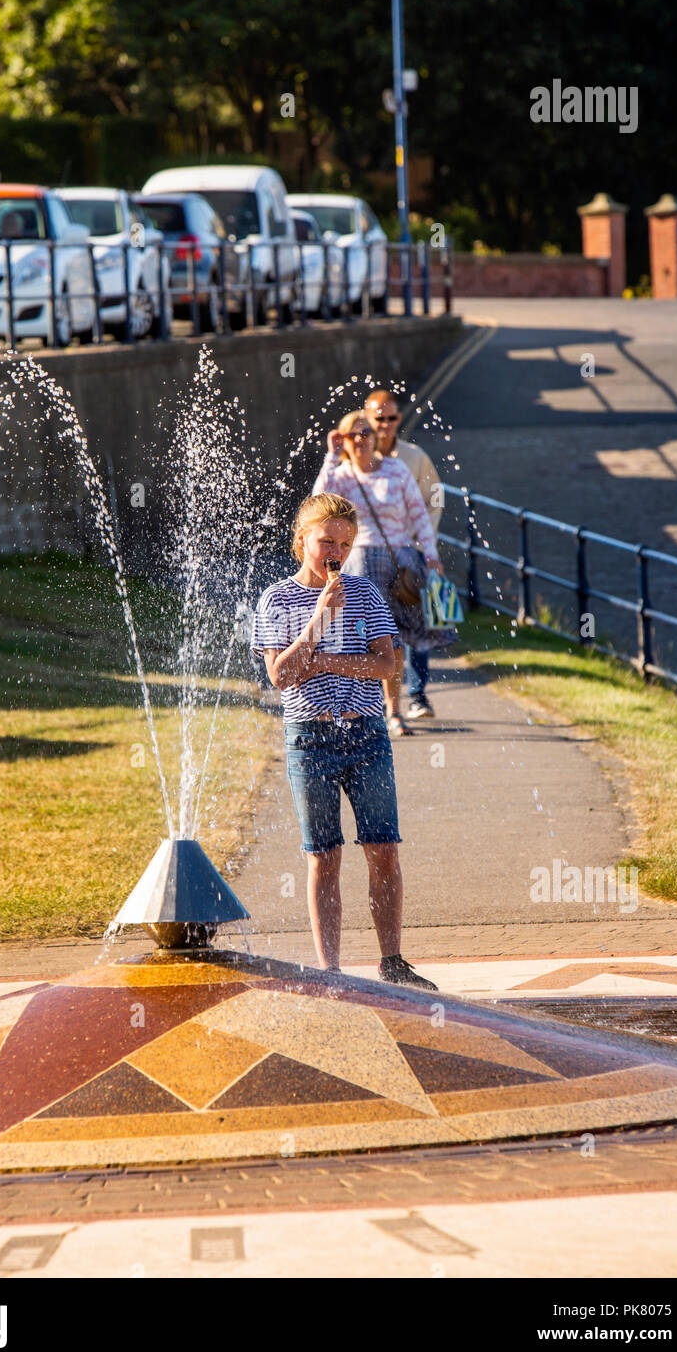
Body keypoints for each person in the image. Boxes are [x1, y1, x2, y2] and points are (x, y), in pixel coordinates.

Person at [250, 491, 438, 991]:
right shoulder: (277, 599)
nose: (335, 551)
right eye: (326, 541)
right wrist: (318, 618)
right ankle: (330, 971)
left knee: (383, 849)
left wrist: (330, 661)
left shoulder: (367, 594)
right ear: (301, 542)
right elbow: (282, 675)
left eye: (345, 543)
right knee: (324, 855)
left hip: (366, 734)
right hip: (309, 739)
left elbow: (386, 665)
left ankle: (392, 961)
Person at [313, 410, 441, 737]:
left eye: (366, 432)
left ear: (375, 436)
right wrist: (331, 454)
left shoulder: (396, 469)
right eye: (353, 435)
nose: (361, 440)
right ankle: (358, 710)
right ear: (344, 440)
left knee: (395, 639)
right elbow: (316, 504)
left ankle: (395, 711)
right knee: (358, 640)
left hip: (399, 562)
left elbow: (419, 513)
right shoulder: (340, 474)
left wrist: (431, 553)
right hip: (357, 564)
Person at [365, 388, 453, 720]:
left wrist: (423, 543)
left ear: (399, 418)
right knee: (372, 627)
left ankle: (417, 695)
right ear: (368, 417)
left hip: (409, 552)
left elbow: (435, 497)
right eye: (379, 418)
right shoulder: (357, 459)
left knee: (416, 625)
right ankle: (378, 701)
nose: (385, 424)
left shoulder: (414, 457)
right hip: (368, 557)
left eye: (392, 418)